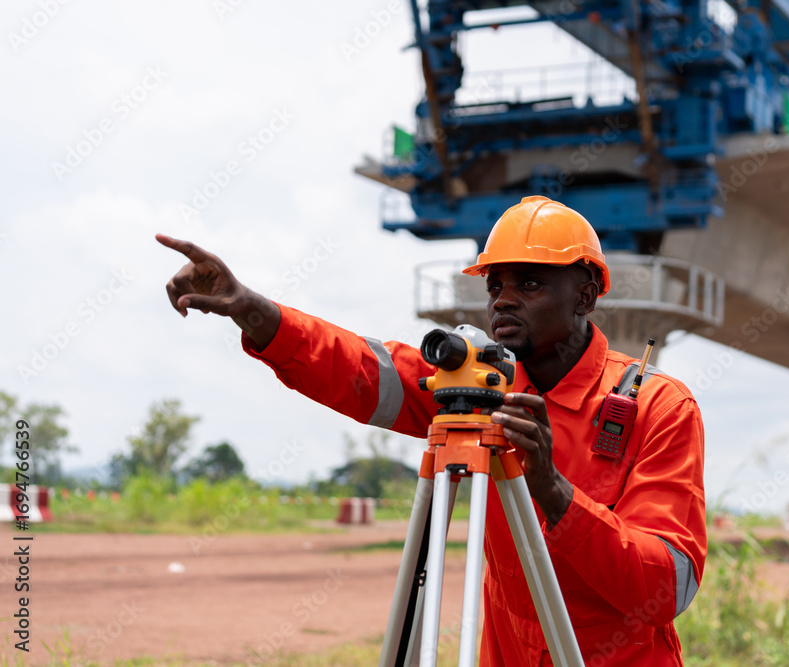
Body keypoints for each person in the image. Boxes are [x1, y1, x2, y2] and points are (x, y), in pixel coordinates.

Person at [158, 195, 707, 666]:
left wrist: (555, 491)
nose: (503, 299)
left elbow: (664, 588)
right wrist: (249, 308)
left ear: (585, 295)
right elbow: (356, 368)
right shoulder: (476, 390)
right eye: (495, 285)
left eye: (530, 283)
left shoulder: (660, 407)